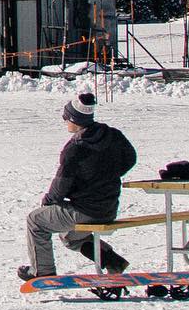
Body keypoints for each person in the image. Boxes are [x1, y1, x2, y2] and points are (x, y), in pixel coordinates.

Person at [19, 91, 137, 281]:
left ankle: (42, 272)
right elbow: (130, 158)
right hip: (108, 207)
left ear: (74, 118)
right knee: (70, 236)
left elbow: (61, 184)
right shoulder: (113, 135)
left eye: (66, 118)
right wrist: (108, 176)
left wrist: (48, 202)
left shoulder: (75, 147)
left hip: (86, 210)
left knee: (36, 220)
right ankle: (112, 260)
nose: (65, 122)